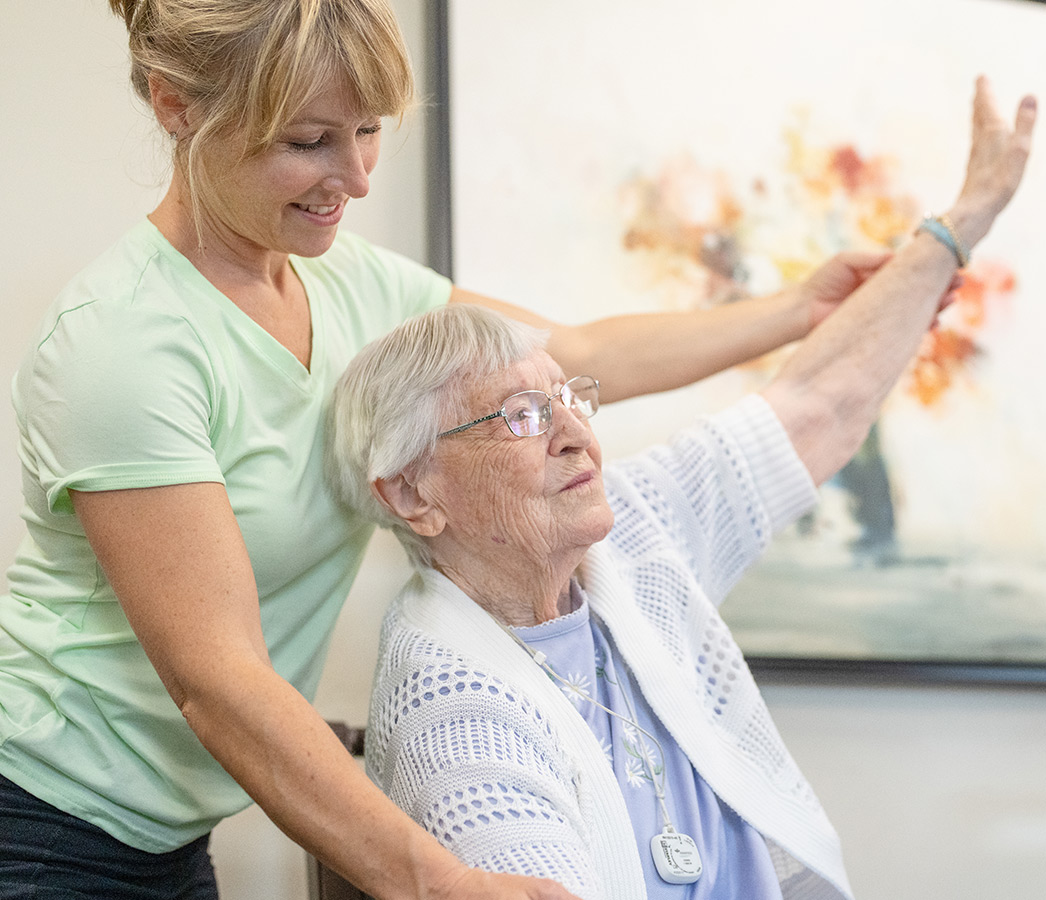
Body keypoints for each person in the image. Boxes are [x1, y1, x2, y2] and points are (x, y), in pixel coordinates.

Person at [0, 2, 883, 898]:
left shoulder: (350, 282)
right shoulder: (121, 346)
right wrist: (436, 880)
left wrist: (796, 311)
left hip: (175, 834)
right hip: (43, 821)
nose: (355, 178)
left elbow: (577, 354)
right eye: (308, 141)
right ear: (175, 106)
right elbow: (218, 679)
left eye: (368, 132)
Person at [327, 78, 1036, 899]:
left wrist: (957, 225)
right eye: (523, 414)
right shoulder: (448, 704)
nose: (572, 429)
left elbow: (817, 406)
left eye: (568, 396)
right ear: (414, 495)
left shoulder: (626, 536)